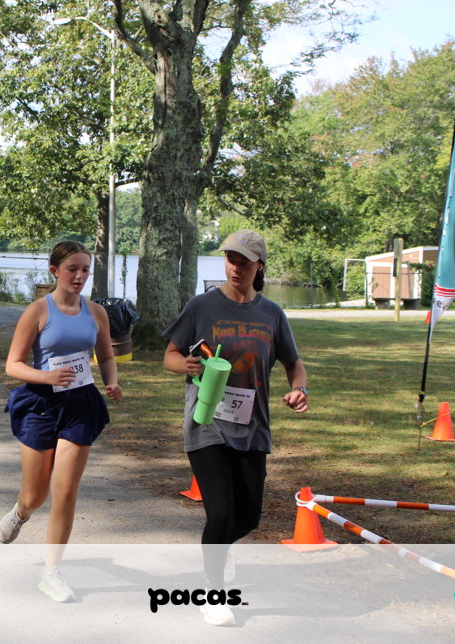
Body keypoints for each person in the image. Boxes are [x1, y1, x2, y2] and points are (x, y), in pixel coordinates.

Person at [162, 229, 308, 627]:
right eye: (230, 259)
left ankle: (218, 554)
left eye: (244, 262)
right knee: (222, 512)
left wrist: (300, 389)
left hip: (253, 427)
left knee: (248, 517)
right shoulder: (202, 306)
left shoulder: (271, 314)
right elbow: (170, 355)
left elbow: (293, 363)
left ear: (259, 266)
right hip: (207, 424)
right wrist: (185, 365)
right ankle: (213, 594)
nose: (235, 268)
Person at [0, 240, 123, 602]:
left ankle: (52, 572)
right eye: (72, 269)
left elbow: (106, 356)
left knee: (65, 491)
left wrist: (112, 381)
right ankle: (21, 512)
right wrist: (47, 377)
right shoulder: (38, 311)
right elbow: (13, 365)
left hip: (81, 403)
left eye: (85, 270)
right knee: (36, 494)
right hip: (41, 404)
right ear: (54, 271)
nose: (79, 276)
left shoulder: (96, 312)